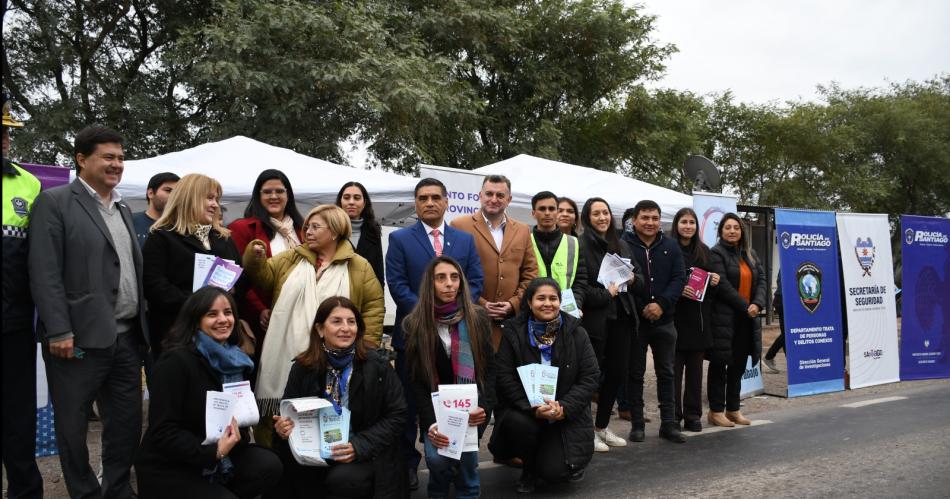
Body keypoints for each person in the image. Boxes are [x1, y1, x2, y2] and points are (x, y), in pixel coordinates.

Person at [29, 125, 149, 498]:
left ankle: (116, 490)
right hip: (78, 340)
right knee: (73, 426)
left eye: (121, 158)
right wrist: (60, 330)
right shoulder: (56, 202)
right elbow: (45, 272)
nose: (117, 165)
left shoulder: (125, 207)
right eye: (108, 157)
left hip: (127, 339)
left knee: (126, 425)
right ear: (82, 160)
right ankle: (83, 493)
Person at [243, 204, 384, 445]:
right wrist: (255, 259)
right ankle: (275, 457)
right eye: (307, 226)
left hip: (338, 355)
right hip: (286, 351)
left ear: (335, 231)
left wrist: (367, 343)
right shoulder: (292, 257)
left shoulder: (358, 265)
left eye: (315, 227)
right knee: (276, 411)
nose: (307, 231)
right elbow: (263, 278)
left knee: (326, 407)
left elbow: (373, 306)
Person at [134, 287, 282, 499]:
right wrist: (215, 452)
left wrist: (234, 436)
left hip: (220, 454)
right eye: (212, 314)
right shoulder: (175, 362)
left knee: (269, 465)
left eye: (228, 312)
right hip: (171, 464)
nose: (223, 319)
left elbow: (238, 424)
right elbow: (162, 433)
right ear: (195, 320)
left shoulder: (238, 362)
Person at [385, 177, 483, 489]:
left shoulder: (464, 240)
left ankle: (458, 460)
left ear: (445, 202)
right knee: (415, 403)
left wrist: (457, 311)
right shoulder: (401, 239)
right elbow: (397, 284)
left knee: (461, 400)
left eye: (435, 197)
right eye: (423, 198)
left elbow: (475, 282)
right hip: (416, 337)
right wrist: (424, 316)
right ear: (416, 203)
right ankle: (412, 464)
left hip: (460, 337)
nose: (429, 202)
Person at [272, 297, 407, 498]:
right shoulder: (303, 367)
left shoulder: (377, 365)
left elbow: (398, 415)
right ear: (319, 329)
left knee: (343, 480)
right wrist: (283, 428)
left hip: (365, 452)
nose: (346, 328)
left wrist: (358, 446)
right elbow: (289, 411)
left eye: (351, 322)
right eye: (336, 321)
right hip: (315, 450)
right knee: (283, 472)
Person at [489, 278, 600, 493]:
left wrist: (563, 407)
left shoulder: (577, 333)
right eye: (541, 298)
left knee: (554, 473)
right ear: (529, 303)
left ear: (560, 301)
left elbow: (590, 377)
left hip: (562, 414)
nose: (547, 303)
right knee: (518, 423)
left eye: (553, 298)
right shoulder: (513, 332)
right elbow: (504, 376)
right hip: (527, 412)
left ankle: (552, 460)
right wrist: (532, 408)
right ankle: (528, 468)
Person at [404, 256, 494, 499]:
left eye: (454, 277)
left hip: (472, 410)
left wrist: (482, 408)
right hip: (436, 412)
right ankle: (438, 489)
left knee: (466, 463)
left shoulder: (478, 319)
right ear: (430, 284)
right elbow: (416, 381)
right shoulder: (414, 324)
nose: (449, 284)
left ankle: (468, 491)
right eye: (441, 278)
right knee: (436, 459)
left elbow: (490, 372)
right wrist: (431, 424)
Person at [143, 173, 244, 357]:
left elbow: (240, 279)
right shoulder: (161, 236)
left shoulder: (224, 238)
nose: (215, 204)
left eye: (216, 199)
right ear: (189, 198)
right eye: (209, 198)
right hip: (177, 336)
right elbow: (154, 287)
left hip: (220, 338)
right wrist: (200, 306)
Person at [2, 93, 44, 498]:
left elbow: (40, 258)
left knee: (18, 422)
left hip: (14, 326)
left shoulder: (27, 183)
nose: (3, 140)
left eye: (6, 134)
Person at [577, 198, 643, 452]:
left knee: (615, 375)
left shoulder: (622, 244)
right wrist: (607, 294)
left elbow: (638, 283)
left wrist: (633, 278)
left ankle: (601, 427)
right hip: (595, 321)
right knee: (589, 378)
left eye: (605, 213)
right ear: (587, 217)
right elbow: (580, 288)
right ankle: (585, 432)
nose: (602, 217)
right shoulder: (581, 245)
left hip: (623, 319)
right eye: (596, 214)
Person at [623, 200, 688, 444]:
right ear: (635, 220)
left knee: (667, 373)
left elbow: (679, 278)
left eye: (654, 218)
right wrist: (643, 307)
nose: (650, 223)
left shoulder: (671, 246)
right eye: (645, 218)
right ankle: (637, 424)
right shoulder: (623, 245)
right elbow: (620, 278)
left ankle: (669, 424)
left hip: (665, 320)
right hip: (635, 322)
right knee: (635, 374)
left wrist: (661, 304)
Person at [451, 174, 538, 350]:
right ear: (480, 195)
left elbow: (531, 272)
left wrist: (513, 303)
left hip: (511, 323)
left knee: (506, 374)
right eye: (489, 194)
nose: (494, 199)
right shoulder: (459, 225)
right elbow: (453, 272)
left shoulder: (522, 230)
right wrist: (481, 303)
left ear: (509, 199)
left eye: (500, 195)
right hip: (471, 319)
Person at [228, 169, 305, 360]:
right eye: (267, 192)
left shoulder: (302, 229)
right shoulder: (242, 228)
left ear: (288, 195)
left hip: (300, 315)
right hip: (263, 317)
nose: (274, 196)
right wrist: (260, 308)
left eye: (279, 191)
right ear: (258, 196)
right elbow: (238, 276)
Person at [707, 213, 767, 427]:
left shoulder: (750, 254)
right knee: (719, 366)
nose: (732, 231)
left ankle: (733, 409)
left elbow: (761, 280)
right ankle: (715, 411)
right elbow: (722, 285)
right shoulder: (716, 254)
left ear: (742, 231)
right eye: (727, 227)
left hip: (747, 319)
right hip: (724, 320)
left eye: (736, 227)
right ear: (721, 231)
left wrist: (757, 304)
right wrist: (746, 307)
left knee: (738, 367)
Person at [670, 208, 720, 432]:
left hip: (698, 322)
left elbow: (711, 289)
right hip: (674, 319)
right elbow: (662, 281)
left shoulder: (704, 251)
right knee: (672, 372)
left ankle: (693, 415)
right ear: (676, 224)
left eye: (692, 222)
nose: (688, 226)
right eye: (684, 222)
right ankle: (673, 415)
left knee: (695, 373)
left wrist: (715, 281)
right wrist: (679, 289)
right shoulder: (668, 249)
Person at [530, 191, 588, 312]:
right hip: (533, 311)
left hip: (566, 311)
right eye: (542, 209)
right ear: (533, 213)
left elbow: (580, 281)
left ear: (557, 212)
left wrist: (576, 304)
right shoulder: (525, 241)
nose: (547, 213)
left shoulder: (574, 243)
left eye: (551, 209)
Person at [336, 181, 384, 288]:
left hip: (366, 297)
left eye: (357, 198)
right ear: (340, 201)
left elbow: (378, 273)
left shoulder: (373, 231)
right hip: (336, 298)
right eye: (347, 197)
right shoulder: (331, 230)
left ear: (364, 203)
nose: (351, 202)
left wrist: (379, 303)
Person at [132, 172, 180, 248]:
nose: (173, 196)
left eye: (177, 193)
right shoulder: (130, 220)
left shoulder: (181, 227)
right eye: (168, 190)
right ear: (150, 193)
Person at [763, 272, 785, 373]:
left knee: (787, 333)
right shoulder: (790, 260)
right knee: (787, 333)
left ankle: (792, 361)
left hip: (782, 298)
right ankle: (769, 357)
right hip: (783, 299)